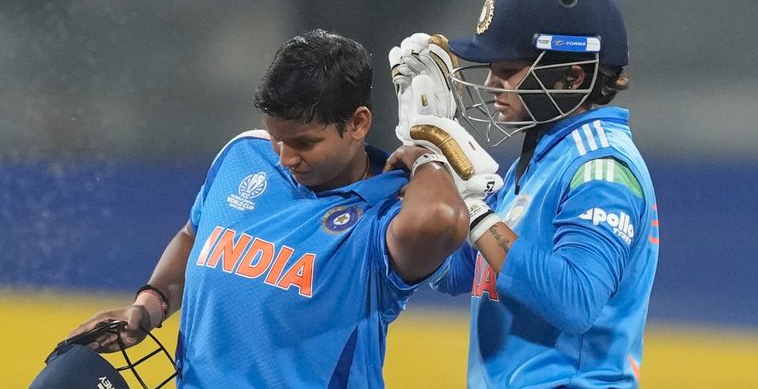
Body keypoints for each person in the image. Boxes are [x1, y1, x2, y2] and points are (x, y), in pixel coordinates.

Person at [66, 28, 471, 388]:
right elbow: (194, 235)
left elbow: (443, 220)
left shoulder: (387, 210)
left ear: (359, 124)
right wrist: (150, 305)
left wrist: (427, 153)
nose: (285, 158)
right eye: (277, 138)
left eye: (304, 143)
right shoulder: (244, 154)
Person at [398, 0, 660, 388]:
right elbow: (460, 272)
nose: (491, 83)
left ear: (572, 77)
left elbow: (575, 301)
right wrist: (428, 171)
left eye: (508, 70)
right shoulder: (543, 156)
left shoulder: (603, 169)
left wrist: (475, 211)